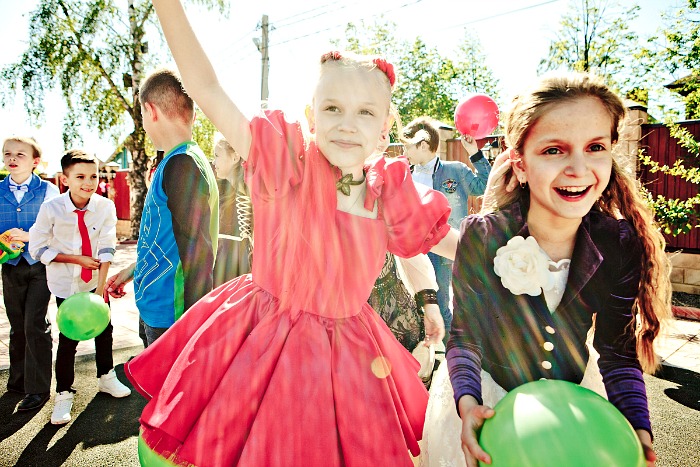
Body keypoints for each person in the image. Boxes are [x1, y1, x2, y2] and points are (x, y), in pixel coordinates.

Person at [125, 2, 458, 465]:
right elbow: (205, 87)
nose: (346, 122)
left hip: (348, 357)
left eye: (365, 113)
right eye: (333, 107)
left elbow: (458, 244)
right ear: (311, 114)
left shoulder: (389, 195)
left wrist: (523, 243)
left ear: (385, 129)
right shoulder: (283, 162)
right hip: (260, 344)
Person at [420, 72, 671, 467]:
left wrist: (637, 427)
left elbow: (617, 352)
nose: (578, 168)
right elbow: (465, 337)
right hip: (491, 400)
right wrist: (467, 405)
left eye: (595, 147)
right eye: (554, 150)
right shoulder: (483, 236)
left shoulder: (619, 243)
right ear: (519, 164)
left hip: (575, 410)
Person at [105, 69, 219, 348]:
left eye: (142, 117)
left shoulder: (183, 165)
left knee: (167, 393)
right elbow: (167, 237)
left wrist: (194, 325)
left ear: (150, 110)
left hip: (172, 317)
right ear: (192, 115)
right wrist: (134, 269)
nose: (143, 125)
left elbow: (197, 252)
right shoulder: (177, 161)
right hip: (157, 307)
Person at [29, 149, 131, 425]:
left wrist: (100, 292)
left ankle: (106, 377)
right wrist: (75, 259)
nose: (89, 182)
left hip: (93, 282)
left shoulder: (104, 207)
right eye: (81, 176)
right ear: (65, 179)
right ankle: (63, 393)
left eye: (94, 175)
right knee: (69, 340)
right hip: (66, 285)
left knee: (105, 332)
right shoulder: (52, 209)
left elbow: (107, 248)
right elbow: (37, 247)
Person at [402, 117, 491, 336]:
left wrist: (474, 153)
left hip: (445, 248)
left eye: (407, 146)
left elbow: (485, 184)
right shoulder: (404, 175)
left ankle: (451, 351)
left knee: (444, 302)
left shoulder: (455, 170)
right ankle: (438, 349)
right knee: (421, 301)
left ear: (423, 144)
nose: (404, 151)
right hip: (415, 250)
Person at [1, 136, 59, 412]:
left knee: (34, 323)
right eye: (7, 154)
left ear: (35, 161)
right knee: (16, 324)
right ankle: (18, 381)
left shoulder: (48, 191)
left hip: (39, 266)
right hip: (10, 268)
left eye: (20, 154)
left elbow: (55, 226)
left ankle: (38, 389)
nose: (12, 158)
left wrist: (28, 235)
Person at [212, 134, 252, 287]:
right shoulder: (231, 195)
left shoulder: (251, 195)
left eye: (217, 155)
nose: (214, 162)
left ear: (235, 157)